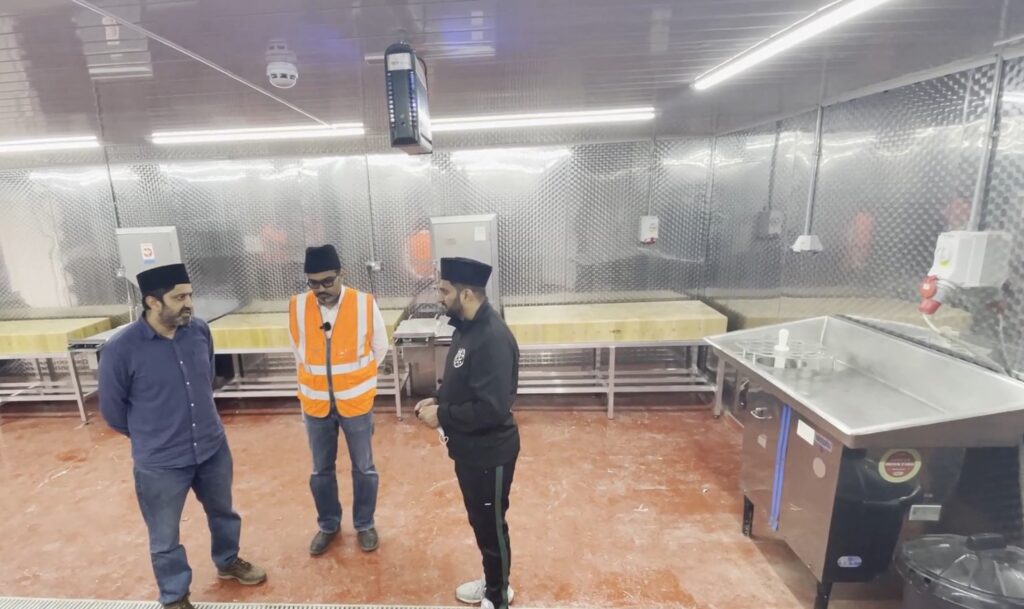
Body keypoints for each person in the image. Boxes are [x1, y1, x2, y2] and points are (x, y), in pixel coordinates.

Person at [98, 263, 266, 609]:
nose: (189, 303)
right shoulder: (121, 349)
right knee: (164, 535)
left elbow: (206, 379)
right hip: (160, 463)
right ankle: (175, 596)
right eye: (179, 298)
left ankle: (228, 561)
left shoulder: (199, 331)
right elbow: (113, 412)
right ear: (153, 302)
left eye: (190, 295)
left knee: (224, 513)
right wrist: (153, 436)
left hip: (211, 448)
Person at [414, 257, 520, 609]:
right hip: (470, 450)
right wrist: (438, 398)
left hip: (490, 453)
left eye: (444, 291)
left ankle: (498, 596)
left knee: (491, 527)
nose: (439, 297)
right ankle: (493, 582)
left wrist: (442, 415)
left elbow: (492, 408)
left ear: (467, 294)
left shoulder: (492, 338)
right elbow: (463, 383)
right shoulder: (465, 327)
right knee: (480, 521)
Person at [289, 244, 388, 555]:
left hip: (355, 403)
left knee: (364, 467)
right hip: (316, 404)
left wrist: (353, 381)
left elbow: (380, 348)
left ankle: (365, 524)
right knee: (321, 470)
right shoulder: (297, 306)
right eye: (313, 283)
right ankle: (328, 525)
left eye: (327, 281)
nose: (321, 289)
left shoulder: (364, 303)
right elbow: (298, 352)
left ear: (341, 274)